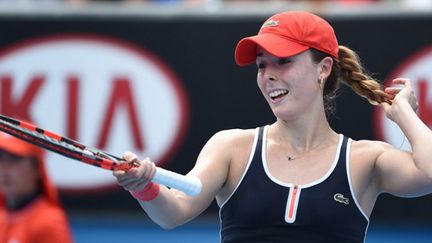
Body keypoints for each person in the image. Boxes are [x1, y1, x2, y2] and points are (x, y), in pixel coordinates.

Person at [114, 11, 428, 242]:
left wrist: (403, 114)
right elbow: (175, 211)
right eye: (262, 65)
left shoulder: (364, 160)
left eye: (283, 61)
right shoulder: (232, 148)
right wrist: (145, 188)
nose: (268, 75)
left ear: (324, 69)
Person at [0, 133, 73, 243]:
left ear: (37, 168)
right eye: (0, 158)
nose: (5, 167)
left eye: (15, 158)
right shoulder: (3, 216)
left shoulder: (48, 223)